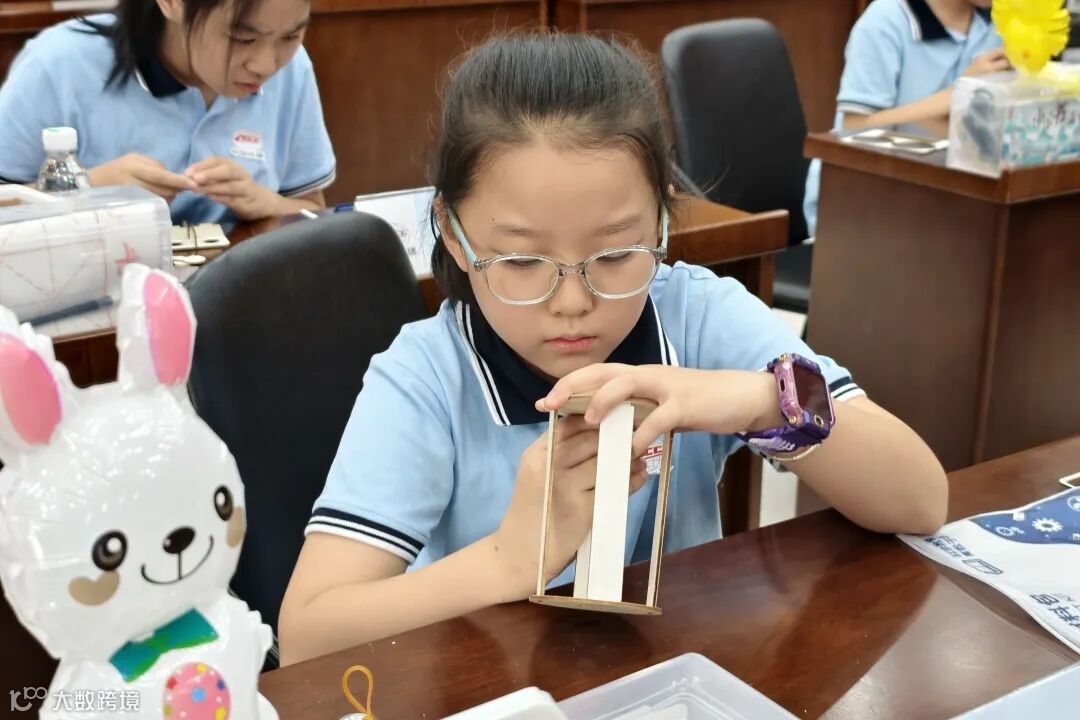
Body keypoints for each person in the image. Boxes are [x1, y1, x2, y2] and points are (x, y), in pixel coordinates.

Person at [278, 33, 948, 665]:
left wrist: (761, 401)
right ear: (454, 237)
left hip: (671, 673)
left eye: (618, 253)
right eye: (521, 261)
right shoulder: (426, 376)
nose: (573, 301)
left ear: (661, 219)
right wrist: (510, 559)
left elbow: (919, 500)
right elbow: (308, 634)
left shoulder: (696, 314)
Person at [0, 0, 335, 225]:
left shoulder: (293, 70)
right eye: (243, 38)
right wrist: (88, 188)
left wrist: (266, 203)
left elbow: (312, 209)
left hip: (238, 296)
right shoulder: (57, 66)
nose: (266, 65)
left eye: (291, 36)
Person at [803, 0, 1004, 235]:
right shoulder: (884, 21)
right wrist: (957, 93)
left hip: (949, 198)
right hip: (861, 202)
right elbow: (854, 128)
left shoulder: (1002, 23)